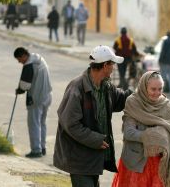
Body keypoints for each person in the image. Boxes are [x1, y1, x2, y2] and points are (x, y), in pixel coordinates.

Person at [53, 45, 133, 187]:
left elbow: (122, 99)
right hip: (79, 158)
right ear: (105, 65)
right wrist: (95, 139)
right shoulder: (77, 88)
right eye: (112, 64)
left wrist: (144, 94)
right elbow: (71, 124)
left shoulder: (106, 86)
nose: (114, 68)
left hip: (93, 157)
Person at [112, 71, 170, 187]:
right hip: (135, 163)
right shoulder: (133, 102)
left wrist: (162, 134)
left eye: (160, 89)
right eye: (153, 89)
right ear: (144, 88)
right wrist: (148, 136)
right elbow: (128, 132)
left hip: (159, 164)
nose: (157, 93)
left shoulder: (164, 104)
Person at [14, 47, 52, 158]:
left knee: (34, 124)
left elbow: (25, 85)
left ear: (23, 55)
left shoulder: (28, 65)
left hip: (36, 98)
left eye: (19, 59)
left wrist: (19, 90)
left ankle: (36, 150)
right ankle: (42, 147)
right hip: (48, 95)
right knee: (42, 123)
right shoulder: (39, 59)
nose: (19, 62)